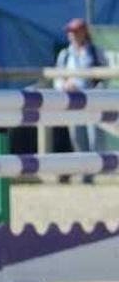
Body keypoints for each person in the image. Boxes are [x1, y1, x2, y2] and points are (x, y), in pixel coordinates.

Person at [54, 17, 106, 174]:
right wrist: (64, 86)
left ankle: (96, 170)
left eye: (75, 31)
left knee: (94, 138)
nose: (72, 34)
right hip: (73, 103)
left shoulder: (96, 51)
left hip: (92, 102)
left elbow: (105, 76)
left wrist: (98, 91)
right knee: (77, 137)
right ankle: (85, 172)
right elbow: (57, 79)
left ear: (84, 32)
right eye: (70, 31)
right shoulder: (64, 54)